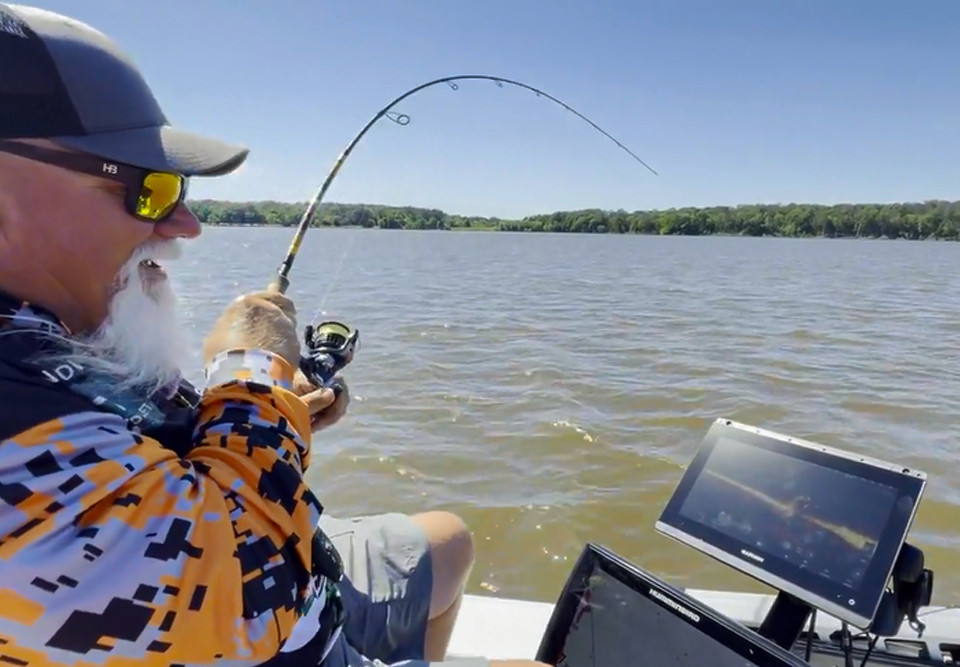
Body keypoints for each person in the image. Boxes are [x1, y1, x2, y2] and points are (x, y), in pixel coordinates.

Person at [0, 4, 550, 667]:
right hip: (264, 611)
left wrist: (282, 418)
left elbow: (121, 461)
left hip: (265, 590)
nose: (183, 224)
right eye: (148, 189)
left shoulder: (39, 334)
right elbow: (255, 587)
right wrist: (252, 370)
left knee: (450, 540)